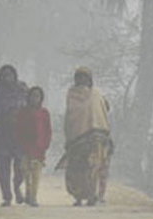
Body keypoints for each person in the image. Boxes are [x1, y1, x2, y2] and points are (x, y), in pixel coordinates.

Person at [57, 67, 113, 206]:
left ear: (90, 80)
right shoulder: (72, 95)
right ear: (75, 80)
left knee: (94, 166)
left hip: (96, 136)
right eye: (79, 77)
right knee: (77, 167)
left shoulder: (96, 93)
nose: (82, 80)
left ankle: (93, 195)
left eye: (85, 78)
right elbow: (71, 116)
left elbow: (105, 108)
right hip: (77, 138)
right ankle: (78, 196)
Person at [0, 65, 28, 207]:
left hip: (20, 134)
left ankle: (17, 187)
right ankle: (7, 196)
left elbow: (31, 108)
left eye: (10, 74)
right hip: (2, 134)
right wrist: (4, 116)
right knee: (2, 168)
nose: (7, 78)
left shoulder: (22, 89)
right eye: (4, 75)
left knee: (21, 167)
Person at [15, 86, 52, 207]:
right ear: (28, 97)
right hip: (25, 147)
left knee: (36, 174)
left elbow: (48, 130)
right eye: (32, 96)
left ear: (41, 98)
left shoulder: (44, 113)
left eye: (37, 96)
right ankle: (28, 193)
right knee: (26, 172)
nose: (35, 99)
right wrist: (21, 144)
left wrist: (45, 144)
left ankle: (33, 197)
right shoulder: (23, 112)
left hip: (39, 148)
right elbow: (18, 130)